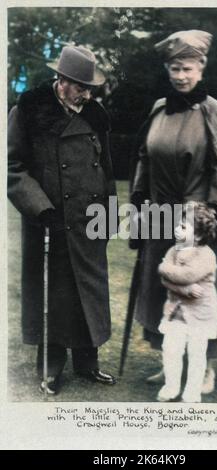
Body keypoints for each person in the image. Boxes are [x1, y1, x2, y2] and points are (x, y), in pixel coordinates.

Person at [129, 30, 217, 394]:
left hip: (199, 220)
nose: (180, 76)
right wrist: (141, 199)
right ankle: (168, 361)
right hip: (160, 212)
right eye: (174, 68)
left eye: (186, 68)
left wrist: (204, 216)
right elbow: (145, 158)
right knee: (160, 287)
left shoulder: (214, 112)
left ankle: (204, 369)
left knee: (201, 290)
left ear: (201, 67)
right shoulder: (158, 108)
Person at [8, 45, 117, 395]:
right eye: (80, 86)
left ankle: (88, 364)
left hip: (90, 220)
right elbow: (11, 166)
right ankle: (51, 368)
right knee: (54, 294)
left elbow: (107, 168)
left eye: (90, 87)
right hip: (49, 221)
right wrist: (41, 208)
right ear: (62, 80)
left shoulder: (96, 115)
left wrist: (110, 213)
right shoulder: (29, 110)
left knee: (89, 291)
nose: (87, 93)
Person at [157, 202, 217, 403]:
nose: (177, 229)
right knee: (171, 349)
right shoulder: (174, 250)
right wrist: (183, 289)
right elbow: (166, 279)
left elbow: (187, 275)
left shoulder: (206, 255)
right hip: (176, 313)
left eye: (183, 226)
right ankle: (171, 387)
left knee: (196, 354)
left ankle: (192, 392)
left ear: (199, 235)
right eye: (178, 224)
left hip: (200, 315)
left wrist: (164, 268)